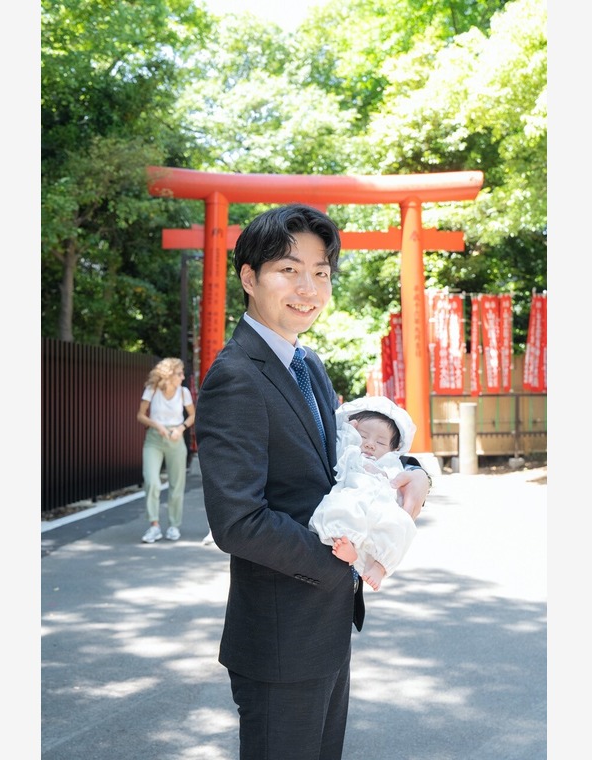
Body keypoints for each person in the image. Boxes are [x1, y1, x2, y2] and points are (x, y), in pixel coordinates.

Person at [195, 203, 431, 760]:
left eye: (321, 272)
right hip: (280, 635)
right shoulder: (236, 377)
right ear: (249, 278)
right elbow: (238, 521)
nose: (309, 287)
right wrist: (339, 563)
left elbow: (344, 457)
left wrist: (414, 471)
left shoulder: (307, 364)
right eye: (288, 269)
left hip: (323, 626)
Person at [309, 395, 420, 592]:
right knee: (342, 507)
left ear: (393, 449)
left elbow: (400, 478)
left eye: (380, 442)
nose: (370, 444)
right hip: (354, 492)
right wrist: (348, 430)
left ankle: (379, 566)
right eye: (363, 436)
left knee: (400, 524)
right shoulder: (350, 451)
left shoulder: (390, 463)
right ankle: (346, 545)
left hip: (380, 503)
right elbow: (342, 441)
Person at [136, 357, 195, 543]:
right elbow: (140, 415)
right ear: (169, 374)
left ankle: (173, 526)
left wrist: (181, 428)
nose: (183, 376)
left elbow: (193, 415)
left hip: (176, 439)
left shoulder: (183, 392)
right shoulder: (152, 390)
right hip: (154, 439)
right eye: (179, 373)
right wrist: (157, 425)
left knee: (177, 485)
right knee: (152, 481)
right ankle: (154, 525)